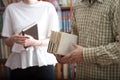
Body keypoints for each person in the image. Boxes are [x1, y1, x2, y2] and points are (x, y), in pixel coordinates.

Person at [56, 0, 120, 80]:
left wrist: (84, 54)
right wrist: (64, 53)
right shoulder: (77, 5)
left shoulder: (116, 3)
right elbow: (75, 40)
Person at [1, 0, 60, 80]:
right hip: (19, 62)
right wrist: (13, 39)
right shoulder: (11, 9)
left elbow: (54, 40)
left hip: (44, 61)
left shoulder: (48, 7)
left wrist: (36, 42)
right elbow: (7, 41)